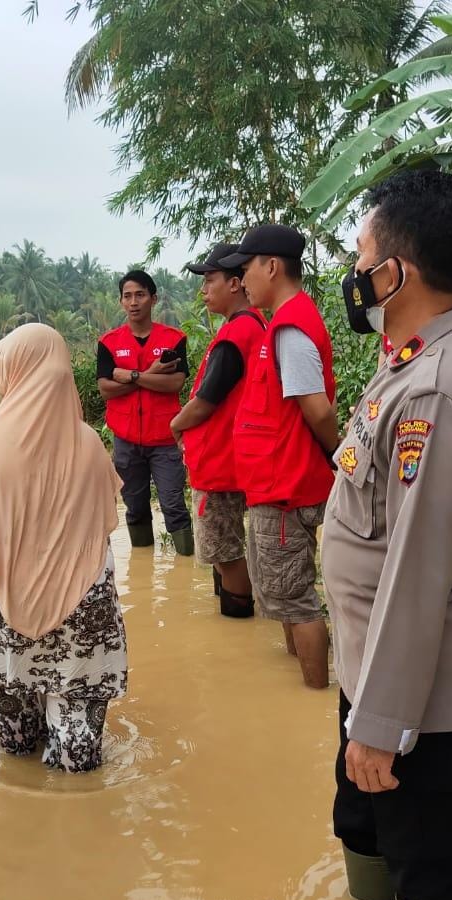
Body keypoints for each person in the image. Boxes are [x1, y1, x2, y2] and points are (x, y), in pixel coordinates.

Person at [321, 169, 452, 900]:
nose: (355, 271)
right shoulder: (407, 358)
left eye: (362, 255)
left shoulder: (439, 390)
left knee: (432, 870)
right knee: (365, 827)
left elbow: (418, 570)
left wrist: (379, 726)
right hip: (375, 670)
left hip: (412, 701)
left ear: (396, 271)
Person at [0, 324, 127, 773]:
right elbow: (106, 524)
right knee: (79, 760)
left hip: (5, 624)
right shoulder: (90, 444)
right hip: (85, 616)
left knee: (16, 755)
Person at [218, 226, 337, 688]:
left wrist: (335, 453)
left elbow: (317, 408)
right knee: (287, 596)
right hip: (276, 485)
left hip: (288, 489)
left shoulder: (290, 329)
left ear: (271, 266)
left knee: (295, 598)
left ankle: (313, 693)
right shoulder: (283, 324)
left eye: (246, 268)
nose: (242, 278)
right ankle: (300, 689)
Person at [170, 242, 266, 618]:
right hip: (235, 457)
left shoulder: (235, 335)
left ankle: (237, 621)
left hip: (220, 462)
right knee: (229, 546)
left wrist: (176, 424)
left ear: (235, 284)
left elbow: (207, 400)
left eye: (210, 280)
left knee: (225, 552)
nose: (203, 289)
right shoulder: (255, 326)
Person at [97, 270, 194, 556]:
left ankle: (184, 566)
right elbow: (105, 388)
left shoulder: (174, 339)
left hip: (165, 438)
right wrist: (150, 375)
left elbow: (175, 382)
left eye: (140, 295)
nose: (133, 302)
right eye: (127, 296)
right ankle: (142, 566)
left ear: (153, 299)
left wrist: (132, 376)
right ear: (121, 302)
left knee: (173, 503)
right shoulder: (108, 343)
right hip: (126, 441)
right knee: (135, 507)